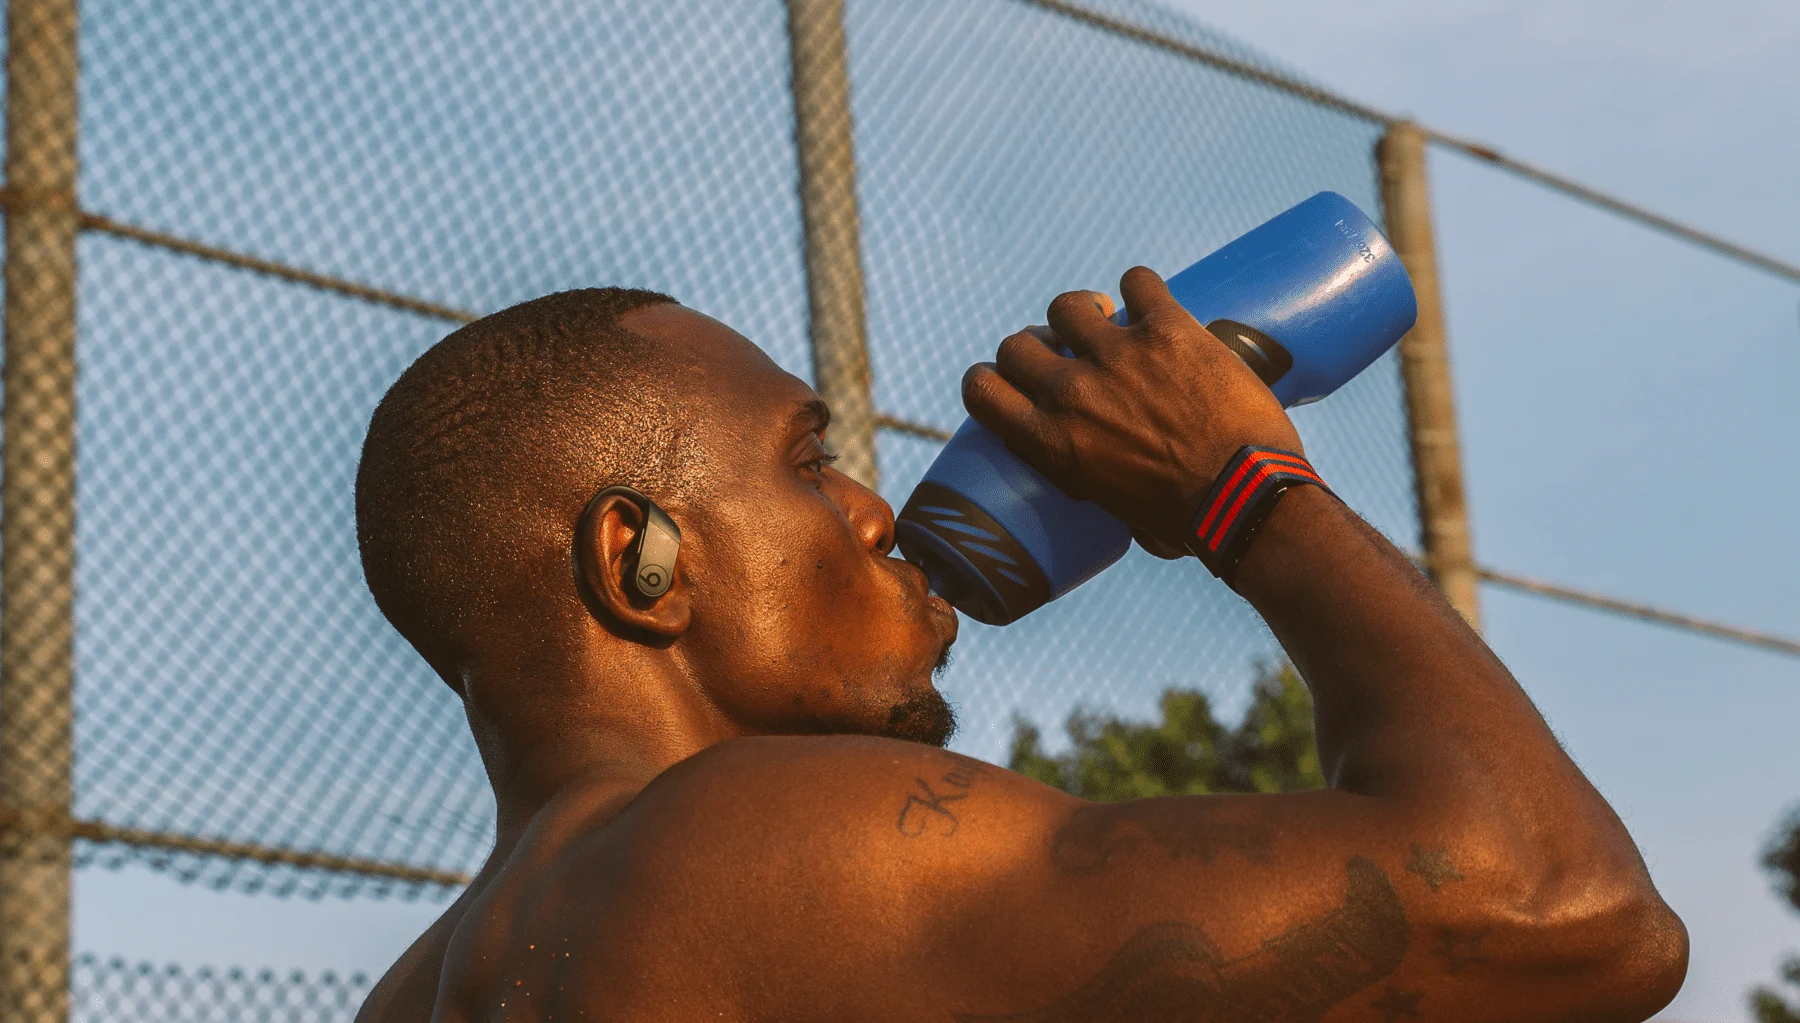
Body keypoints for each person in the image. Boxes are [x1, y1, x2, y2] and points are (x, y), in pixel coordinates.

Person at [353, 272, 1686, 1023]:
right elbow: (1561, 906)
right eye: (808, 460)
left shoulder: (408, 998)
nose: (873, 508)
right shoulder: (764, 848)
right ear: (640, 561)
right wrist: (1241, 483)